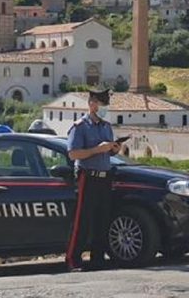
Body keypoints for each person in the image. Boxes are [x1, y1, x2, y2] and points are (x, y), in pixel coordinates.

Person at [64, 88, 120, 271]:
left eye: (106, 105)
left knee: (102, 219)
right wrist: (97, 149)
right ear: (92, 104)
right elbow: (73, 154)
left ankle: (98, 258)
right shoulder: (80, 127)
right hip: (87, 177)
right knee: (82, 220)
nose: (104, 108)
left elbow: (107, 152)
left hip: (104, 177)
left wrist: (114, 149)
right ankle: (73, 259)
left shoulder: (106, 126)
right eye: (102, 104)